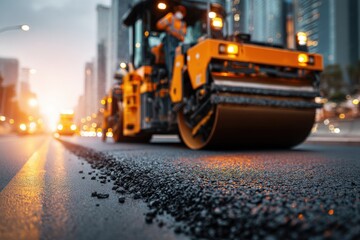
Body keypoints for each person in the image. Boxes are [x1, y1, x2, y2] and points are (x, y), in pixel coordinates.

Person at [156, 5, 187, 80]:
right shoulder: (170, 17)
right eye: (180, 12)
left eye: (182, 13)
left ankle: (176, 76)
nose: (180, 14)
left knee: (177, 57)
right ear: (176, 11)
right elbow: (159, 25)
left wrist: (170, 30)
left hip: (177, 43)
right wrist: (174, 33)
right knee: (171, 59)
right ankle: (171, 76)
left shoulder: (183, 24)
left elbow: (182, 36)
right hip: (169, 41)